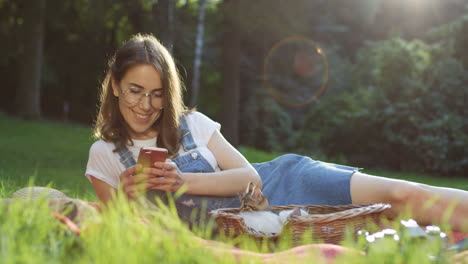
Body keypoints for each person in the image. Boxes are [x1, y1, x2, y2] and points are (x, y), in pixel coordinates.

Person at [85, 33, 468, 232]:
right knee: (384, 218)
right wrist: (133, 199)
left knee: (400, 194)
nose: (146, 105)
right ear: (115, 85)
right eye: (135, 91)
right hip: (259, 224)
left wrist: (179, 181)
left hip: (283, 182)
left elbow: (250, 176)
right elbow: (126, 228)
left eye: (156, 95)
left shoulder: (191, 124)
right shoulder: (105, 155)